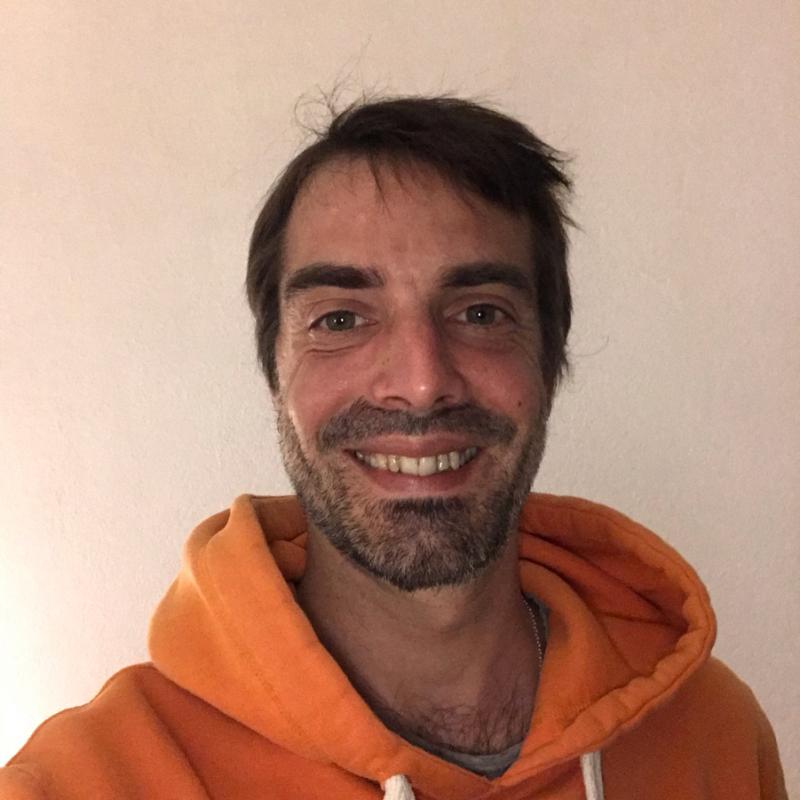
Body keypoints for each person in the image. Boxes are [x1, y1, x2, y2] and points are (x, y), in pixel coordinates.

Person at [1, 96, 786, 800]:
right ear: (275, 369)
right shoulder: (85, 782)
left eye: (480, 313)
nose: (420, 383)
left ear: (550, 358)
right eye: (341, 319)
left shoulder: (712, 734)